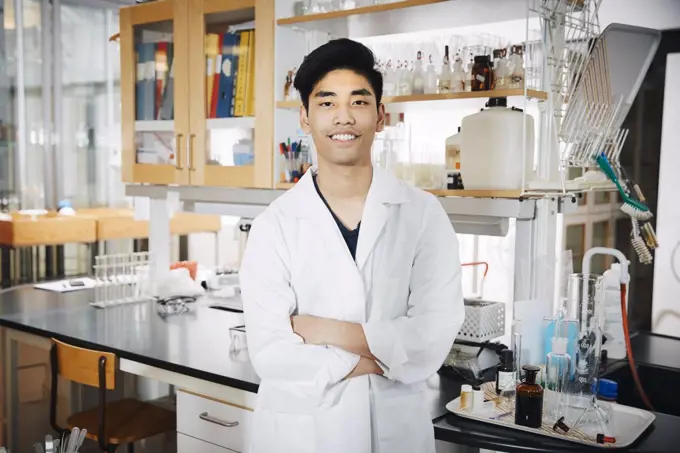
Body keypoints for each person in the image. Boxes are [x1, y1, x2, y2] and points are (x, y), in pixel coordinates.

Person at [239, 38, 465, 453]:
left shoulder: (423, 215)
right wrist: (383, 359)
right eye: (326, 103)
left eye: (358, 102)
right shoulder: (275, 225)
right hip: (303, 434)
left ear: (380, 116)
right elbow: (271, 354)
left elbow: (432, 336)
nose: (343, 117)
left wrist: (323, 330)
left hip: (395, 430)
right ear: (304, 117)